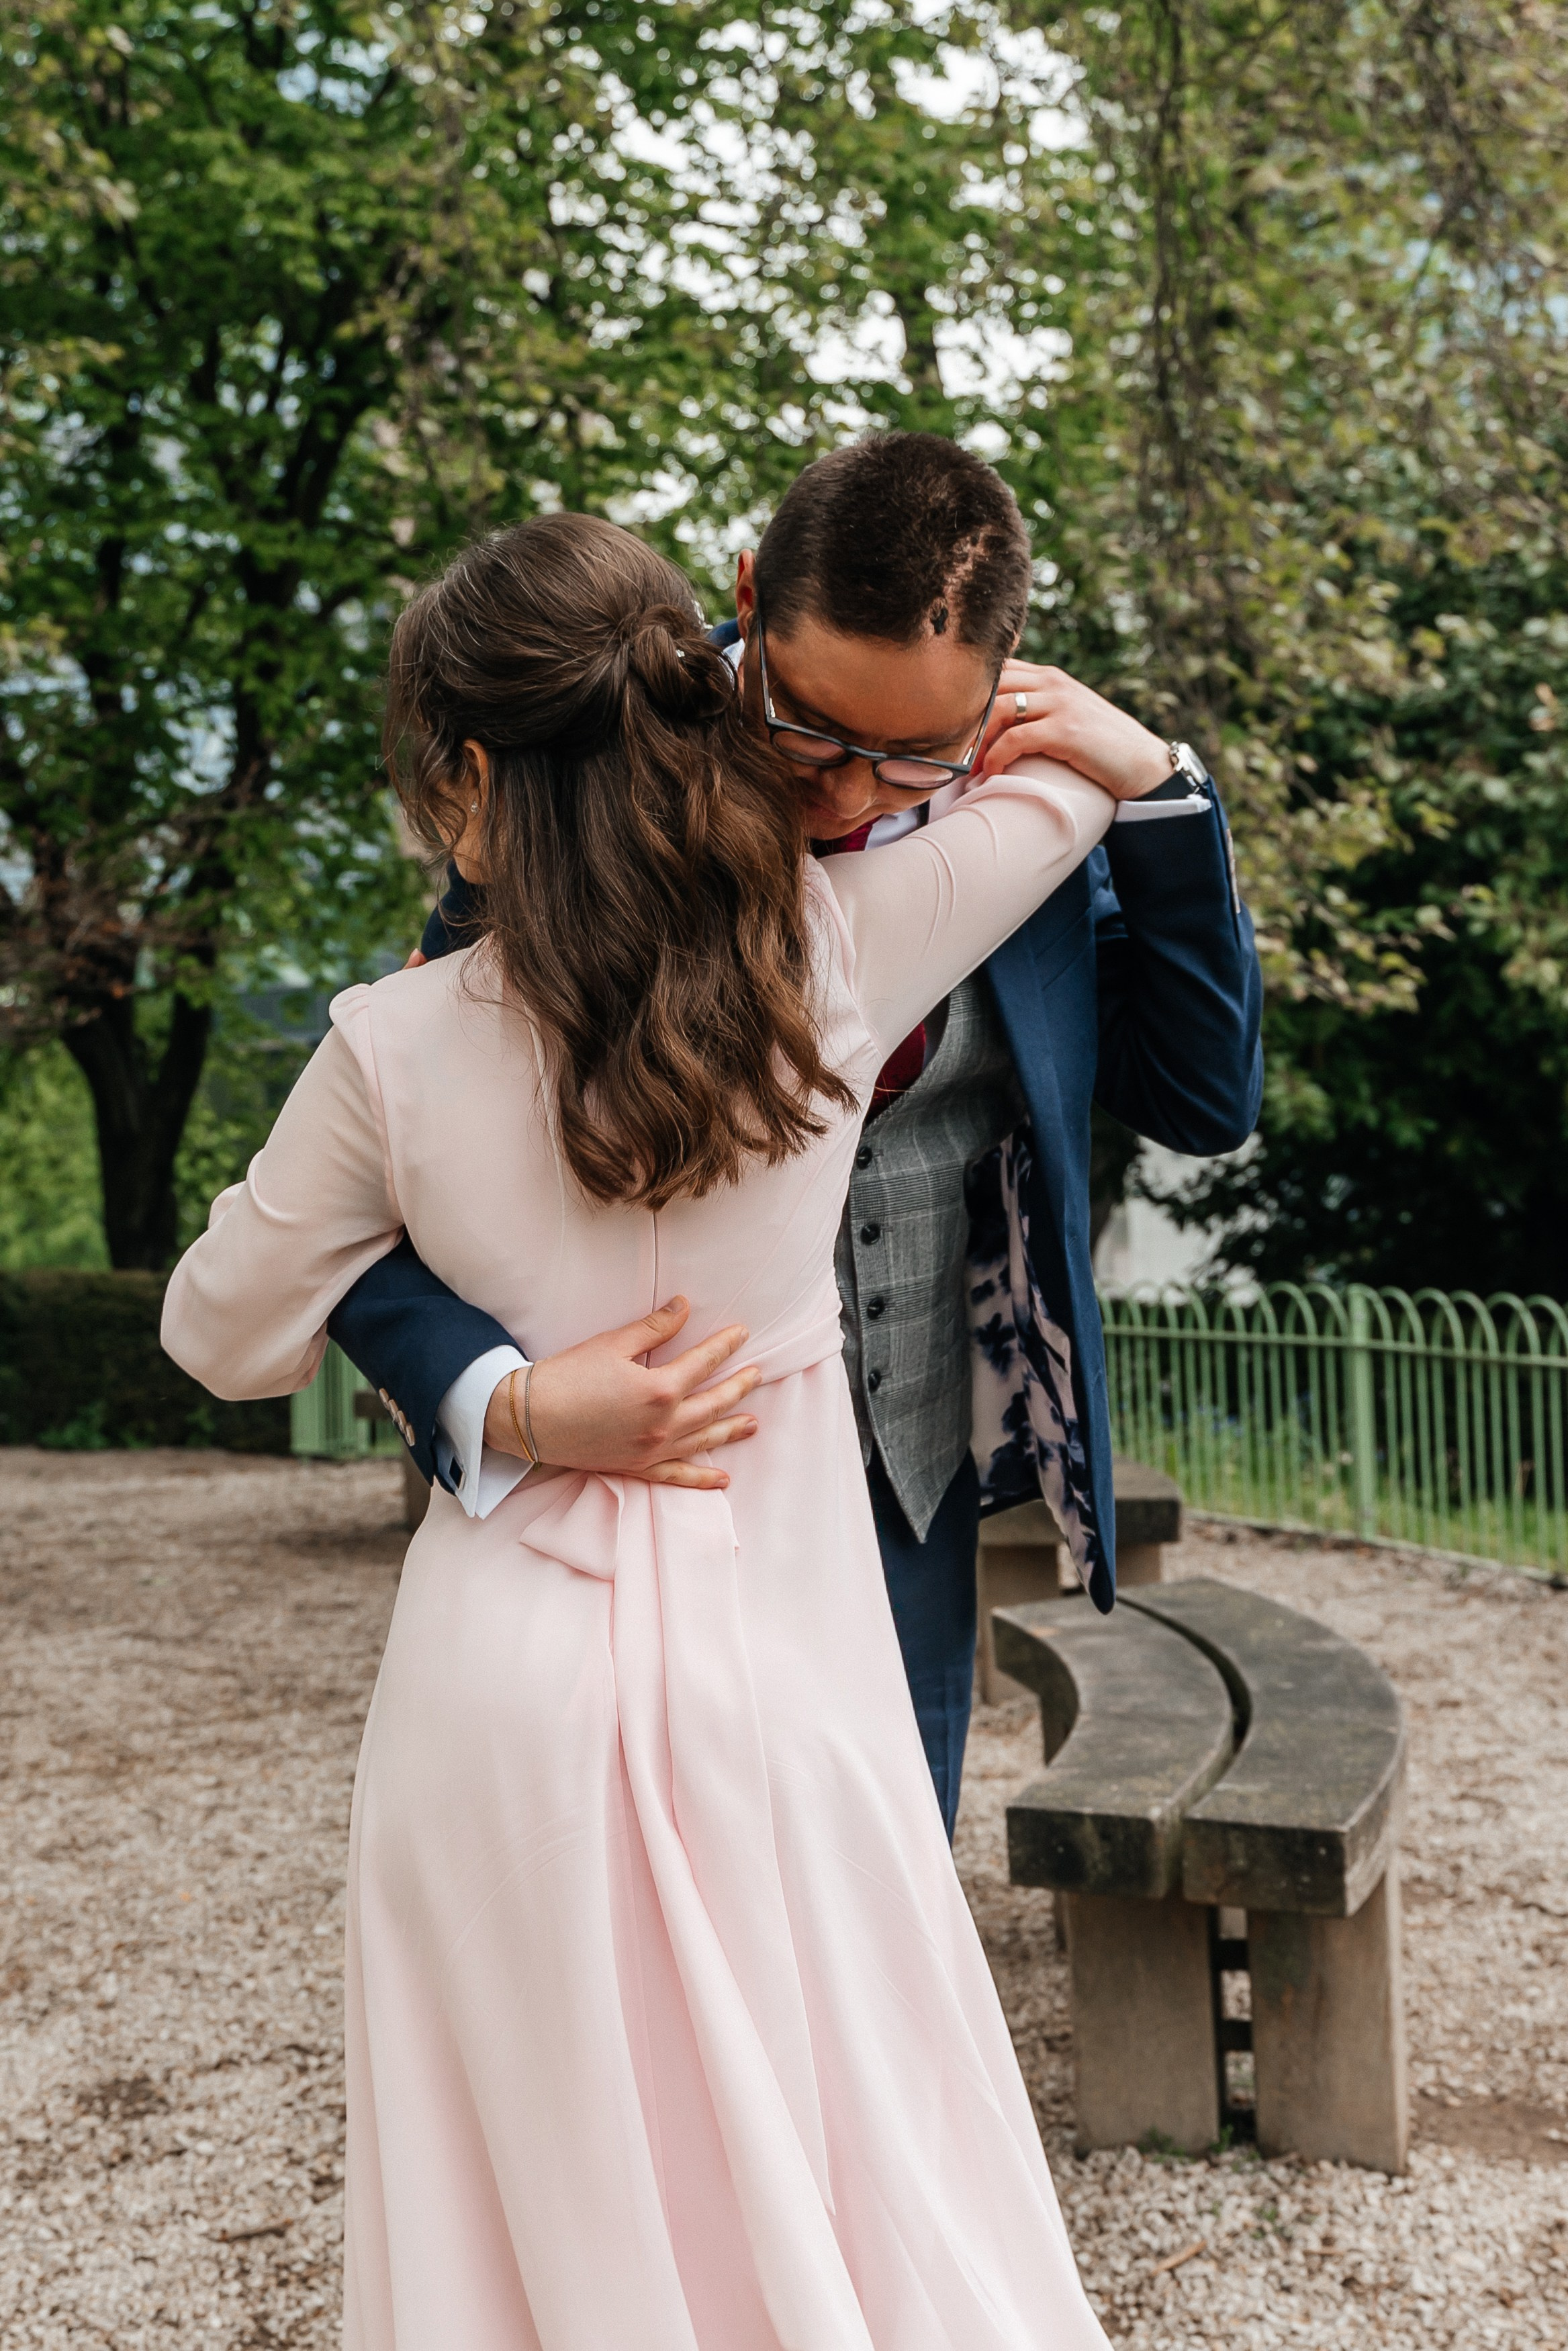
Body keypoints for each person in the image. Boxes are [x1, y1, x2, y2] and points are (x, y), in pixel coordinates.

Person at [164, 512, 1119, 2348]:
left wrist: (503, 1394)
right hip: (791, 1682)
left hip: (498, 1698)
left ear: (460, 782)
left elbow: (220, 1332)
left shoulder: (388, 1047)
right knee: (850, 2146)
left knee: (533, 2199)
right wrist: (1131, 758)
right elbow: (1075, 790)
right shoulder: (845, 957)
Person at [327, 434, 1262, 1837]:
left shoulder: (1042, 813)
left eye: (906, 761)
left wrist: (1165, 795)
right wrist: (502, 1403)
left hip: (904, 1485)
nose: (839, 795)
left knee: (879, 1920)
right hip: (618, 1494)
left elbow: (1201, 1100)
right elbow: (370, 1176)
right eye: (811, 730)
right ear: (752, 593)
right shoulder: (581, 767)